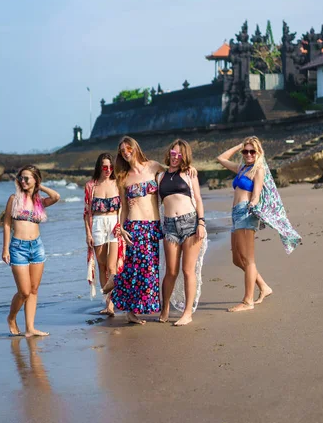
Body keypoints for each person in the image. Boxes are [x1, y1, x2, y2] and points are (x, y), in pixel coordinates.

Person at [217, 136, 302, 312]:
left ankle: (248, 301)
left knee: (248, 260)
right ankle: (263, 286)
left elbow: (256, 193)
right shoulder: (241, 168)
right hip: (236, 214)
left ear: (258, 153)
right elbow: (221, 158)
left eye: (252, 151)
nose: (248, 154)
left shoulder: (258, 169)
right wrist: (240, 144)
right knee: (236, 259)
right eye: (245, 151)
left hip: (246, 213)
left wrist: (253, 203)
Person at [103, 136, 164, 324]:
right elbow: (123, 207)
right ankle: (129, 308)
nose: (126, 152)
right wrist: (121, 227)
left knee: (149, 269)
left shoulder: (154, 166)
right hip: (135, 226)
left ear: (135, 147)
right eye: (122, 151)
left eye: (128, 148)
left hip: (153, 226)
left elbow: (173, 174)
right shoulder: (123, 177)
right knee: (138, 270)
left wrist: (190, 171)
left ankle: (117, 283)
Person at [3, 165, 60, 335]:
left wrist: (39, 186)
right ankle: (11, 317)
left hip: (37, 247)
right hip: (18, 247)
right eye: (21, 178)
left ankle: (30, 328)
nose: (23, 181)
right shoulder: (14, 199)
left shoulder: (39, 201)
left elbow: (56, 196)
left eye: (27, 178)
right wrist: (5, 248)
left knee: (34, 290)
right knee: (24, 291)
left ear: (35, 179)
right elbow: (7, 223)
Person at [157, 139, 208, 325]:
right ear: (169, 153)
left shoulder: (189, 173)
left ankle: (187, 313)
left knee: (188, 270)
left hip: (190, 224)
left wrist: (201, 223)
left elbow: (199, 200)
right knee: (171, 271)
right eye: (173, 153)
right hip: (169, 226)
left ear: (184, 156)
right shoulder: (160, 176)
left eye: (179, 154)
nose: (175, 157)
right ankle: (165, 308)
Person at [83, 153, 125, 316]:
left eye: (110, 167)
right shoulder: (91, 186)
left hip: (114, 222)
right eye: (104, 167)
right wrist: (88, 233)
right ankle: (107, 302)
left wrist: (120, 224)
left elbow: (124, 207)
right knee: (101, 265)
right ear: (99, 167)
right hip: (98, 224)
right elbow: (87, 212)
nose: (108, 170)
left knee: (112, 266)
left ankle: (112, 303)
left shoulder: (118, 183)